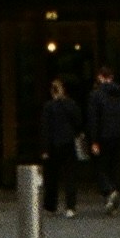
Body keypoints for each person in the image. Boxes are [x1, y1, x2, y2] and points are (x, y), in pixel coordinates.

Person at [85, 64, 120, 210]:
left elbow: (93, 119)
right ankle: (112, 194)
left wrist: (93, 140)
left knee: (100, 166)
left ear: (100, 77)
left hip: (102, 137)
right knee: (115, 166)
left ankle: (109, 190)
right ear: (112, 78)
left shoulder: (95, 96)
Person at [40, 79, 84, 216]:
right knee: (70, 176)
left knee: (51, 176)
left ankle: (50, 205)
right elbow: (79, 122)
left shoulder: (48, 107)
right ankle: (70, 206)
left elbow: (45, 128)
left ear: (52, 92)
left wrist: (45, 149)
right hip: (69, 143)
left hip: (53, 145)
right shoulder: (71, 105)